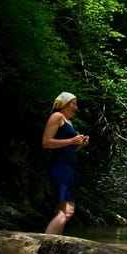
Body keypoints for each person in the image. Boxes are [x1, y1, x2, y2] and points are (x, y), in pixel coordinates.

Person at [42, 92, 89, 235]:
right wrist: (71, 140)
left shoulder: (70, 122)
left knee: (61, 211)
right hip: (60, 167)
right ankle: (46, 243)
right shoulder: (57, 117)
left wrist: (80, 145)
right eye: (73, 104)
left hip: (69, 167)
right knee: (68, 211)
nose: (76, 107)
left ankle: (55, 243)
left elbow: (68, 149)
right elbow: (46, 142)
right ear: (65, 104)